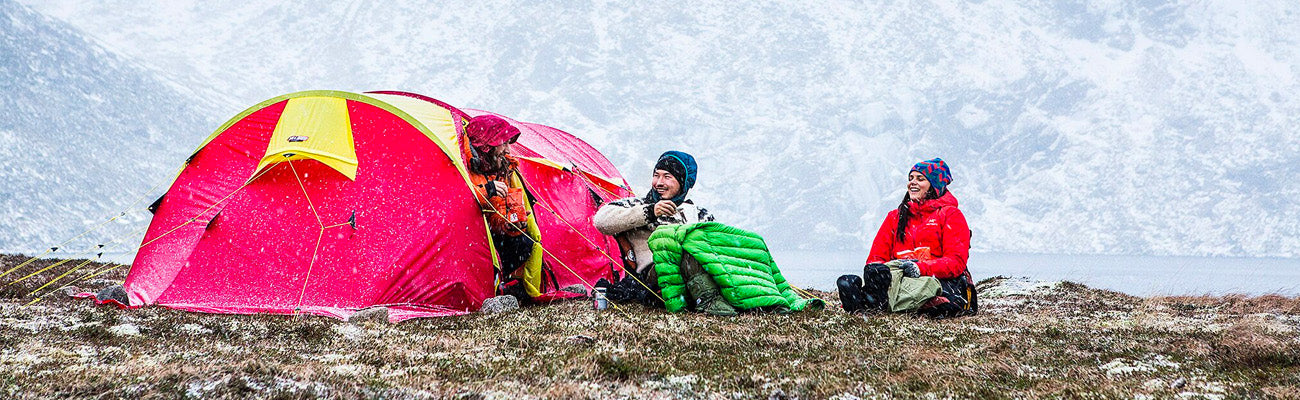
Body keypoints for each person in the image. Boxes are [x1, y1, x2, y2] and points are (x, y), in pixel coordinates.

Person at [592, 151, 734, 315]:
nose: (659, 182)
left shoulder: (699, 214)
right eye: (656, 175)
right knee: (686, 255)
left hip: (695, 269)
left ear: (683, 183)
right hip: (655, 273)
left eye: (667, 177)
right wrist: (650, 212)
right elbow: (601, 220)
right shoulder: (638, 204)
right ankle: (708, 301)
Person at [838, 158, 977, 317]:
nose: (912, 182)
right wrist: (882, 276)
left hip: (939, 281)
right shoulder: (895, 217)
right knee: (874, 271)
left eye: (920, 179)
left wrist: (920, 268)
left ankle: (871, 304)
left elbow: (956, 262)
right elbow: (876, 258)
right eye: (911, 178)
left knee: (941, 300)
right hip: (900, 281)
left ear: (935, 185)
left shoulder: (951, 215)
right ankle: (875, 301)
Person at [464, 115, 535, 293]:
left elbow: (493, 217)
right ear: (486, 146)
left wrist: (509, 225)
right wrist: (487, 192)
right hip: (468, 239)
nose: (508, 150)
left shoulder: (501, 168)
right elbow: (460, 204)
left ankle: (502, 283)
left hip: (488, 238)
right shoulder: (463, 165)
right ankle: (488, 287)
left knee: (523, 242)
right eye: (503, 143)